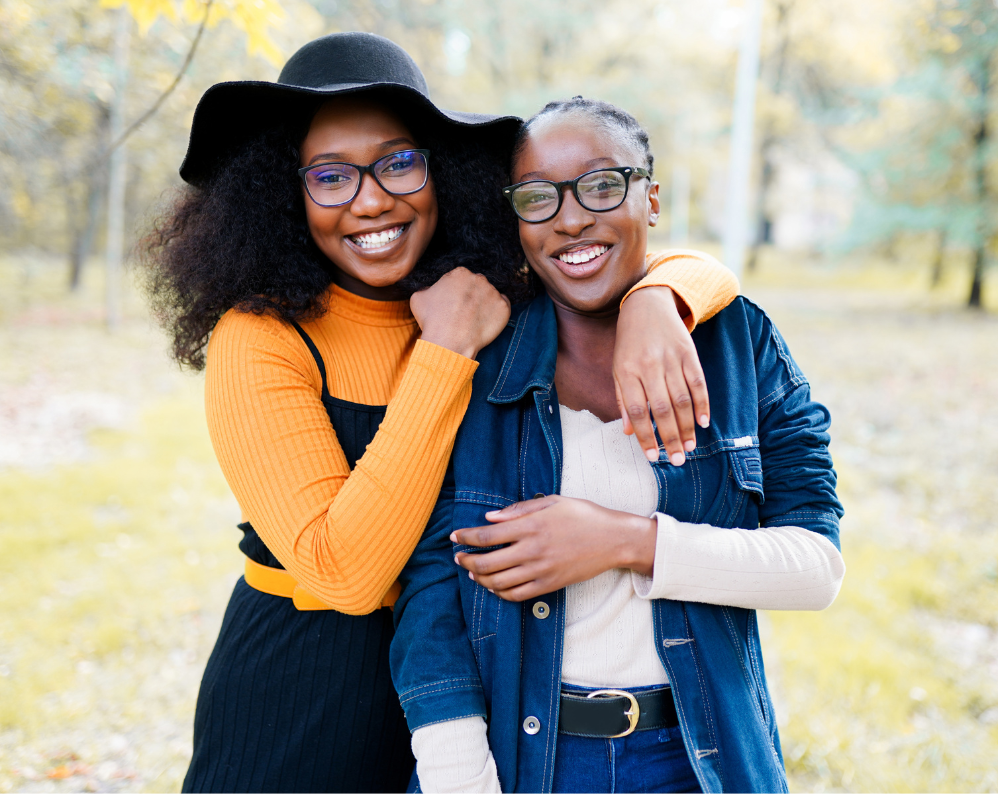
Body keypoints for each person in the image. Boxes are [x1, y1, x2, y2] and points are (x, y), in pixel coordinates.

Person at [143, 34, 741, 793]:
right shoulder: (262, 338)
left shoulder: (492, 290)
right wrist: (447, 347)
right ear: (282, 194)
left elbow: (634, 250)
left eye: (398, 162)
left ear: (441, 172)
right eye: (329, 177)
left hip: (480, 683)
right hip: (302, 690)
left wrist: (663, 298)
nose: (370, 199)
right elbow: (347, 576)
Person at [391, 96, 846, 793]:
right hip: (523, 760)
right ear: (515, 220)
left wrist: (625, 541)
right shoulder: (479, 358)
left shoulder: (738, 344)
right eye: (537, 198)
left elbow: (815, 567)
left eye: (602, 185)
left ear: (649, 198)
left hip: (700, 757)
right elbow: (429, 586)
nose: (571, 218)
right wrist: (458, 775)